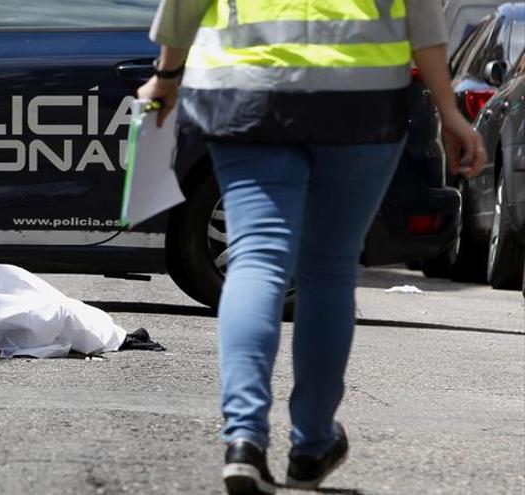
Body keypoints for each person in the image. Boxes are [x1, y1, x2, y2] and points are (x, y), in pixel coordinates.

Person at [137, 1, 487, 494]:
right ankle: (313, 443)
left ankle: (244, 439)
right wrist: (450, 112)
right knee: (329, 271)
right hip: (359, 99)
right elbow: (424, 22)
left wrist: (166, 77)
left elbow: (183, 7)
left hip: (245, 90)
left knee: (257, 256)